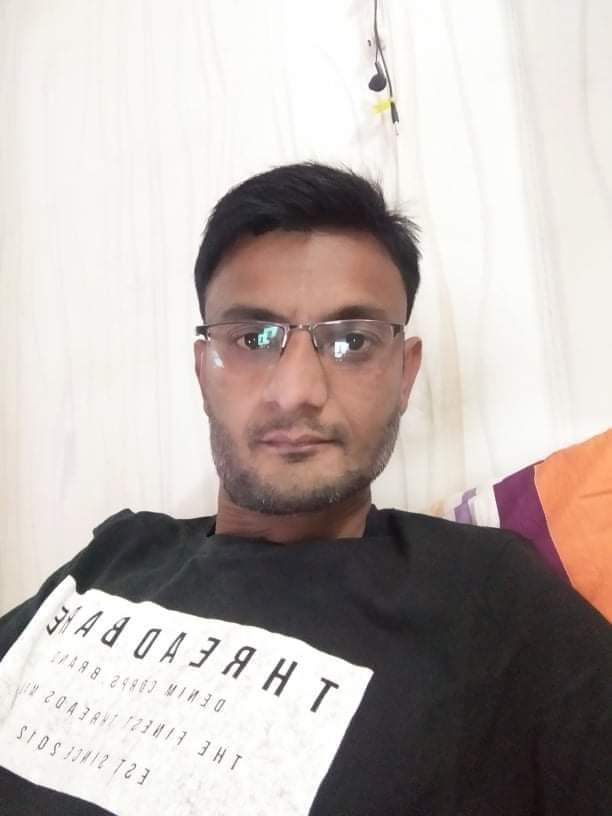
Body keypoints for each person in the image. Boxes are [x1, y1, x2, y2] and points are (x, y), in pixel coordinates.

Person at [0, 162, 610, 816]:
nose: (296, 392)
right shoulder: (117, 554)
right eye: (252, 338)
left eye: (352, 341)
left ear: (405, 374)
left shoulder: (489, 597)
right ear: (203, 369)